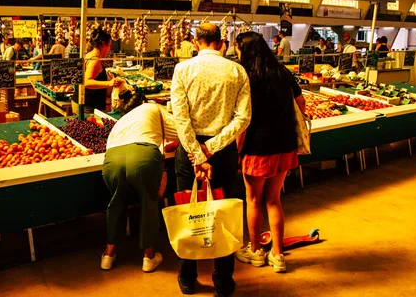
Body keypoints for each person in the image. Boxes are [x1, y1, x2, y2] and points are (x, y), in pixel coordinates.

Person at [171, 23, 251, 296]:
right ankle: (223, 280)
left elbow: (180, 118)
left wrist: (197, 152)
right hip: (223, 152)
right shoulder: (237, 71)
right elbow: (243, 118)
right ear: (220, 42)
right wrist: (212, 149)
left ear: (196, 42)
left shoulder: (182, 70)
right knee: (224, 213)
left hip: (190, 152)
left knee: (189, 211)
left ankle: (187, 277)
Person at [233, 32, 306, 274]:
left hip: (257, 147)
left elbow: (241, 118)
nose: (236, 54)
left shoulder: (246, 76)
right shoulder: (282, 72)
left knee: (253, 200)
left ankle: (255, 251)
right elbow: (301, 102)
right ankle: (278, 255)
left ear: (246, 50)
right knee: (274, 200)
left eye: (238, 49)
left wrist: (236, 147)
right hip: (285, 144)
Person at [101, 93, 178, 273]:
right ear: (144, 101)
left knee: (116, 202)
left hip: (113, 158)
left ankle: (108, 256)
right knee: (148, 202)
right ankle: (148, 258)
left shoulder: (121, 120)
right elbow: (180, 130)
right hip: (143, 156)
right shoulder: (153, 107)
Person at [72, 27, 123, 114]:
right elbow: (87, 82)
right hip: (87, 105)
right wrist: (109, 83)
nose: (110, 49)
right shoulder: (95, 60)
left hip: (80, 100)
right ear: (103, 44)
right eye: (109, 45)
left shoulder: (88, 55)